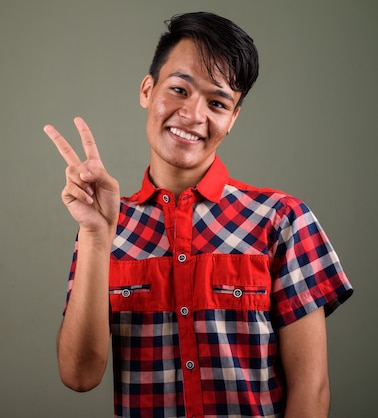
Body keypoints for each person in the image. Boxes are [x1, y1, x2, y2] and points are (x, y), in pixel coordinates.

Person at [43, 11, 353, 418]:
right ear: (147, 90)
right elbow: (78, 375)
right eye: (179, 89)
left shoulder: (282, 220)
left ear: (233, 118)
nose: (193, 115)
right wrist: (97, 238)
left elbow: (310, 390)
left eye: (217, 102)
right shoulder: (104, 225)